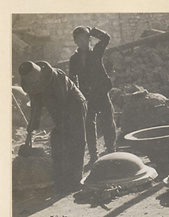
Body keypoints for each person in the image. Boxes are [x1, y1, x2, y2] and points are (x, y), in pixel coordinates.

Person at [20, 61, 87, 194]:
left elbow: (62, 102)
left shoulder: (56, 77)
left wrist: (63, 126)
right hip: (57, 110)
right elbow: (35, 107)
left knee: (75, 140)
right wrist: (31, 126)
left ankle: (75, 180)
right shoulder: (32, 86)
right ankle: (61, 180)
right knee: (57, 141)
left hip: (74, 104)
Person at [69, 26, 117, 163]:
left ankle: (111, 151)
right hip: (86, 96)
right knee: (89, 126)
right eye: (79, 39)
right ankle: (94, 156)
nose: (82, 42)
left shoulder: (96, 52)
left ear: (89, 39)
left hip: (101, 92)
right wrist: (76, 97)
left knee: (108, 121)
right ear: (75, 42)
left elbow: (106, 38)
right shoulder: (74, 59)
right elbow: (72, 79)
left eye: (85, 38)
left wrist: (92, 29)